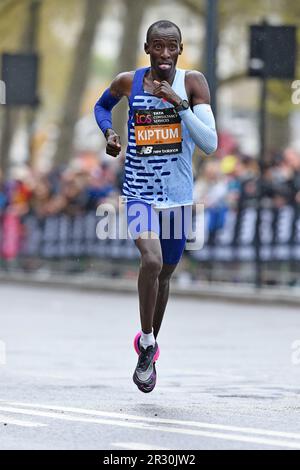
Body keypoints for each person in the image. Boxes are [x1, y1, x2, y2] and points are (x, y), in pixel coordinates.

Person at [94, 20, 218, 393]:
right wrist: (110, 133)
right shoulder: (127, 82)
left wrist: (178, 105)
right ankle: (147, 338)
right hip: (138, 193)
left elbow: (209, 143)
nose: (165, 54)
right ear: (146, 47)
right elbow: (101, 108)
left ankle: (147, 347)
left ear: (181, 49)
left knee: (164, 274)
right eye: (158, 47)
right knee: (150, 261)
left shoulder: (192, 84)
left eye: (172, 47)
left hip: (179, 197)